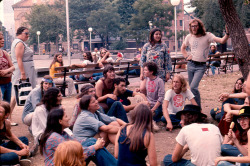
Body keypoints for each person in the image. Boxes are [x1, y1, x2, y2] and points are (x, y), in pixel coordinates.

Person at [40, 108, 117, 166]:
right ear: (60, 121)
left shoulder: (62, 133)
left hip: (67, 161)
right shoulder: (54, 137)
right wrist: (96, 146)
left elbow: (77, 143)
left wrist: (95, 143)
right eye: (66, 117)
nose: (69, 118)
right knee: (93, 146)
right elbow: (75, 153)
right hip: (63, 163)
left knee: (91, 141)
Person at [181, 18, 229, 107]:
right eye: (192, 26)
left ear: (200, 26)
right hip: (191, 64)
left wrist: (227, 33)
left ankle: (198, 108)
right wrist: (187, 56)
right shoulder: (189, 37)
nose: (194, 28)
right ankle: (194, 108)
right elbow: (182, 48)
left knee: (193, 87)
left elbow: (222, 41)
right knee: (192, 89)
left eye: (196, 26)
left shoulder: (207, 35)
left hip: (200, 66)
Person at [10, 27, 37, 124]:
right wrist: (23, 73)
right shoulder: (19, 43)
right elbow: (19, 59)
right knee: (16, 94)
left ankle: (8, 117)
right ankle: (8, 117)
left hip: (26, 70)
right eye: (26, 33)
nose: (28, 35)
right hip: (23, 71)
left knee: (16, 94)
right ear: (20, 33)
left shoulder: (19, 42)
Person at [31, 87, 62, 156]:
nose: (61, 98)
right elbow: (47, 128)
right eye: (59, 96)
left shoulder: (57, 106)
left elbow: (62, 123)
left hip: (55, 130)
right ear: (52, 98)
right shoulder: (40, 109)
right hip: (43, 134)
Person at [0, 101, 31, 166]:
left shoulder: (6, 123)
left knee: (24, 139)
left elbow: (10, 135)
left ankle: (17, 160)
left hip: (2, 147)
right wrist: (18, 152)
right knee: (13, 155)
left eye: (0, 112)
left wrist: (21, 144)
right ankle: (18, 159)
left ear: (6, 115)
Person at [140, 62, 165, 127]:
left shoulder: (159, 81)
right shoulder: (147, 79)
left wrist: (153, 109)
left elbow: (161, 98)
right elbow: (147, 93)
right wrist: (139, 90)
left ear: (151, 72)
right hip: (148, 104)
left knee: (149, 118)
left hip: (156, 106)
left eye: (145, 70)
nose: (144, 72)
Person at [0, 31, 15, 103]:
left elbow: (13, 67)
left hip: (8, 83)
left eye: (3, 38)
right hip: (0, 85)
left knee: (7, 106)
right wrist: (9, 72)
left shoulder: (4, 52)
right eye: (0, 39)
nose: (3, 40)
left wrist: (6, 72)